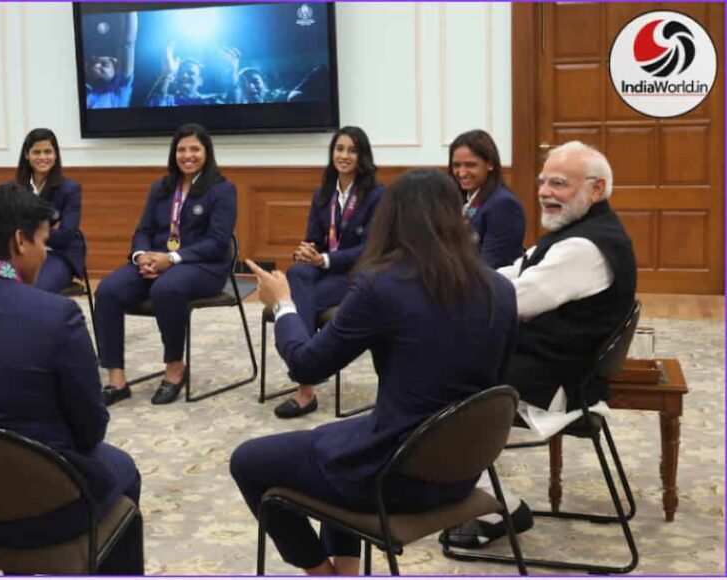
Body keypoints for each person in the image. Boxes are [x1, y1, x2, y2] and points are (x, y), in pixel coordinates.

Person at [231, 169, 518, 576]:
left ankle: (321, 573)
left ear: (392, 220)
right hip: (463, 468)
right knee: (329, 439)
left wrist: (283, 305)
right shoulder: (501, 290)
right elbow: (495, 385)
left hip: (396, 474)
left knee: (247, 461)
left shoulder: (383, 286)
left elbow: (306, 363)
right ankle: (348, 567)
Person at [0, 184, 143, 574]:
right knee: (123, 469)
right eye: (44, 242)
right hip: (47, 512)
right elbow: (90, 429)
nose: (47, 253)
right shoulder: (58, 315)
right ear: (20, 240)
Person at [441, 141, 637, 549]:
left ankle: (500, 508)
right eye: (543, 181)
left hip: (556, 380)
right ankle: (460, 490)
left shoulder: (584, 247)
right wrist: (460, 281)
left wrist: (445, 298)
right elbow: (516, 270)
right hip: (549, 361)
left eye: (560, 183)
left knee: (433, 388)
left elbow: (515, 301)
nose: (545, 191)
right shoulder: (576, 231)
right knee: (442, 366)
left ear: (596, 190)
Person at [95, 123, 237, 406]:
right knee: (108, 290)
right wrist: (141, 257)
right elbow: (143, 230)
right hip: (155, 262)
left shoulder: (222, 189)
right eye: (181, 149)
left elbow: (218, 242)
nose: (188, 155)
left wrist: (170, 259)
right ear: (174, 154)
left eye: (195, 149)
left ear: (206, 152)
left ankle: (174, 370)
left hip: (203, 266)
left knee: (166, 289)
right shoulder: (161, 187)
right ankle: (116, 380)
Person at [273, 126, 386, 419]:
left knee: (296, 300)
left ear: (362, 156)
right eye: (339, 149)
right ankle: (308, 363)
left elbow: (370, 248)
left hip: (356, 274)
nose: (344, 156)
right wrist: (307, 251)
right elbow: (314, 237)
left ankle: (304, 385)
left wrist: (323, 260)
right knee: (297, 273)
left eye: (351, 150)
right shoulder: (323, 193)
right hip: (323, 270)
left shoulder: (377, 195)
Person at [13, 128, 86, 293]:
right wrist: (45, 229)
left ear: (55, 155)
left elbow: (66, 236)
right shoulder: (15, 189)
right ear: (27, 155)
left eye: (48, 152)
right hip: (20, 254)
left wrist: (26, 230)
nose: (42, 157)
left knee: (36, 289)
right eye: (36, 152)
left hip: (56, 255)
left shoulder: (70, 189)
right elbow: (6, 228)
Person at [448, 129, 526, 268]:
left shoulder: (503, 205)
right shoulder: (466, 198)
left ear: (490, 164)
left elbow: (493, 264)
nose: (461, 172)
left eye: (470, 165)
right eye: (456, 165)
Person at [85, 12, 138, 109]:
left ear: (117, 68)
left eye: (104, 65)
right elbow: (128, 43)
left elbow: (129, 44)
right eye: (94, 62)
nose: (96, 66)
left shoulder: (119, 94)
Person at [146, 43, 222, 106]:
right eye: (181, 73)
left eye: (191, 73)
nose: (184, 76)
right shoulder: (169, 101)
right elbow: (155, 105)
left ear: (200, 81)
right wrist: (168, 73)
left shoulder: (212, 101)